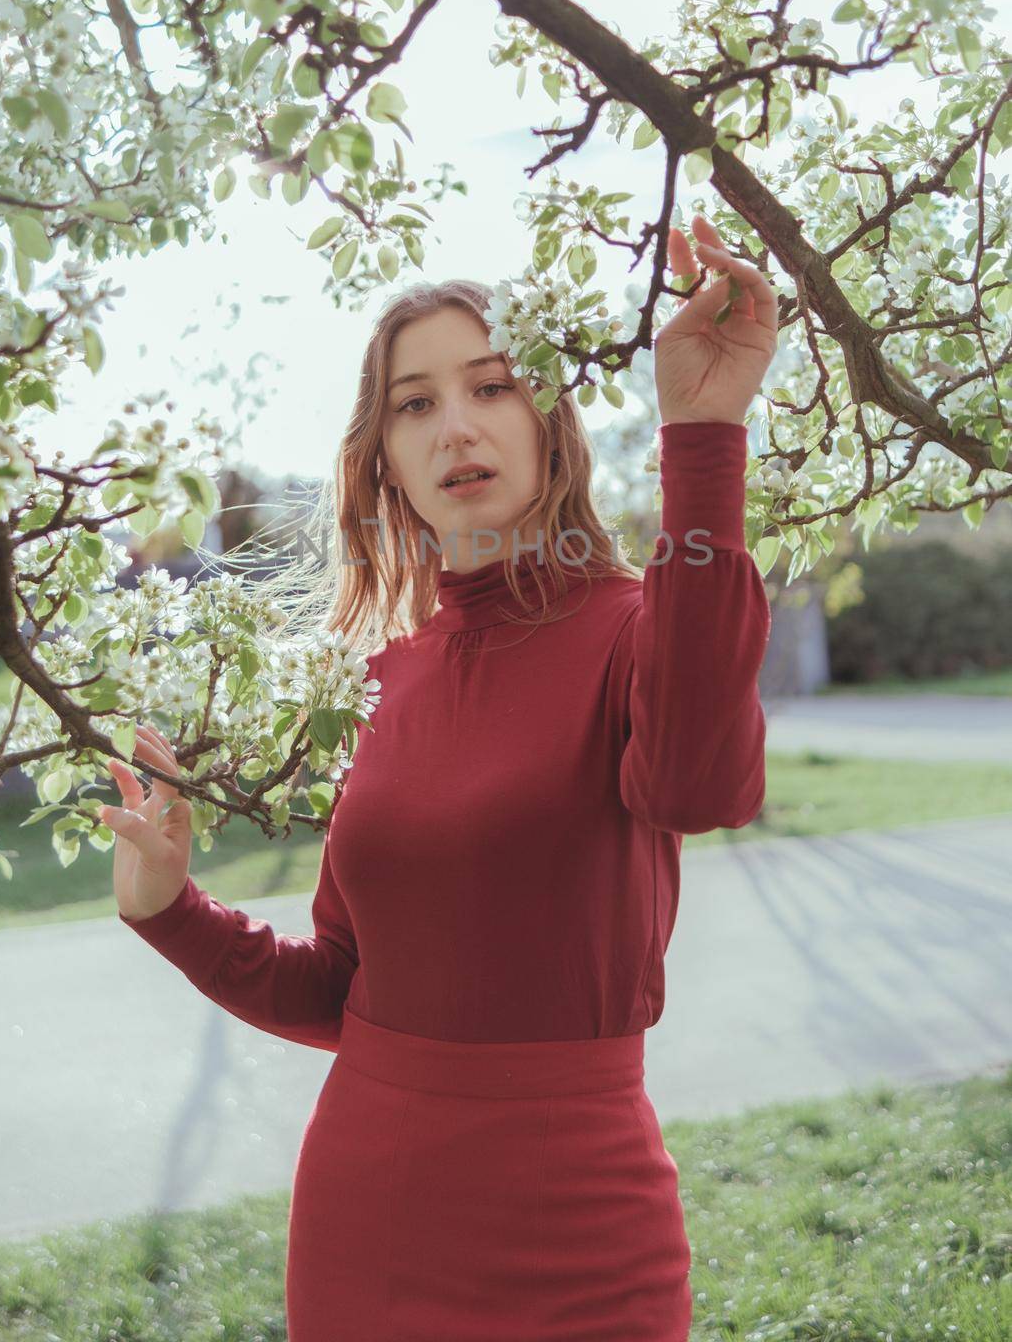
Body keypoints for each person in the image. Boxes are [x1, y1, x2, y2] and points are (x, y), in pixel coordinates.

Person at [102, 213, 779, 1340]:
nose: (455, 426)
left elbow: (702, 788)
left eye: (491, 386)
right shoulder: (381, 679)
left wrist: (702, 433)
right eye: (414, 403)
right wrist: (171, 912)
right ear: (382, 459)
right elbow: (340, 991)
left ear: (546, 422)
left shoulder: (631, 626)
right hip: (366, 1215)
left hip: (582, 1224)